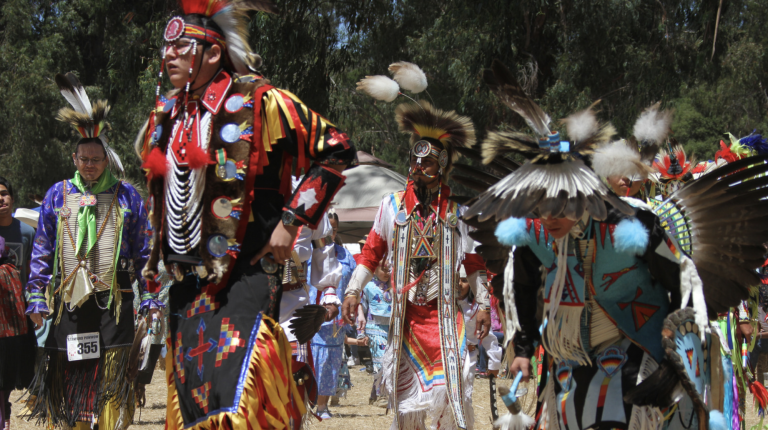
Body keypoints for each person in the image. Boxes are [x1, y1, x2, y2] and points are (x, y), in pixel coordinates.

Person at [465, 60, 768, 430]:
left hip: (635, 354)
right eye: (537, 203)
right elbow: (523, 285)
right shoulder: (535, 233)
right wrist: (524, 349)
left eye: (557, 203)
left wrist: (677, 360)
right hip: (571, 365)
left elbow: (684, 283)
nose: (546, 216)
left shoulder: (631, 225)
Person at [134, 0, 357, 427]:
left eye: (182, 46)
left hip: (244, 272)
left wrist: (291, 223)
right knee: (193, 393)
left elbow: (337, 150)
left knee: (238, 388)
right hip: (186, 279)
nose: (169, 55)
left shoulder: (258, 101)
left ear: (213, 53)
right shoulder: (165, 114)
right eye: (167, 47)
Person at [342, 96, 489, 430]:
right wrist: (353, 290)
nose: (419, 169)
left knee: (456, 384)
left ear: (442, 168)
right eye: (414, 161)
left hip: (446, 320)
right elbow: (371, 253)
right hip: (406, 321)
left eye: (428, 164)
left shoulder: (458, 212)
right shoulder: (391, 207)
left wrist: (483, 305)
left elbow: (475, 262)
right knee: (408, 402)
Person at [24, 73, 155, 430]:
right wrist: (36, 296)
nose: (91, 165)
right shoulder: (57, 194)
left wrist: (151, 297)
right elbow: (42, 248)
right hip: (71, 301)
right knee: (75, 375)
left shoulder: (127, 196)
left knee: (113, 378)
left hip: (116, 300)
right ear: (75, 157)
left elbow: (146, 252)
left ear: (107, 159)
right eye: (85, 159)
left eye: (97, 159)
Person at [309, 211, 355, 419]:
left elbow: (353, 287)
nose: (331, 232)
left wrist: (357, 310)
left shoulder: (346, 256)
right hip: (309, 317)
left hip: (336, 321)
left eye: (334, 228)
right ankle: (304, 404)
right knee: (310, 360)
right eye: (328, 227)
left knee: (330, 361)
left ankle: (322, 407)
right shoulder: (305, 253)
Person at [0, 236, 35, 430]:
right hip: (11, 341)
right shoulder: (12, 271)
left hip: (7, 342)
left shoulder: (8, 272)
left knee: (3, 393)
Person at [457, 265, 501, 382]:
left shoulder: (478, 309)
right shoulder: (442, 307)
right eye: (456, 280)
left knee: (464, 396)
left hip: (468, 359)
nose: (459, 284)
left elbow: (488, 337)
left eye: (464, 280)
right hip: (443, 360)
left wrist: (494, 363)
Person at [358, 260, 392, 407]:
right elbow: (360, 306)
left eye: (389, 269)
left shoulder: (396, 286)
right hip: (375, 327)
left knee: (390, 361)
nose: (387, 273)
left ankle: (375, 390)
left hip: (392, 328)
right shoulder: (368, 286)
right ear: (375, 269)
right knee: (381, 360)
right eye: (383, 269)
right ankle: (382, 395)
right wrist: (361, 329)